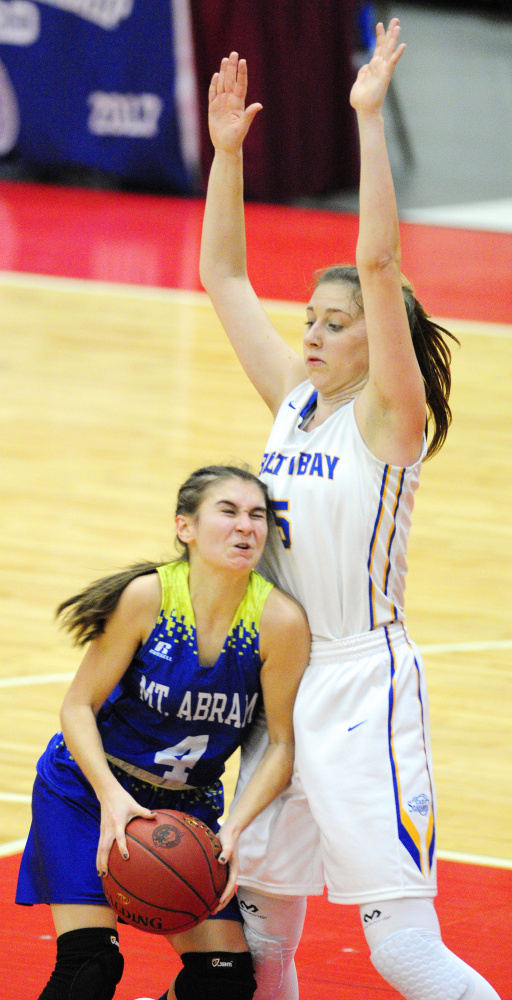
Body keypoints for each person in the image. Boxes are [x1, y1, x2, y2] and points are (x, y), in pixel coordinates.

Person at [198, 20, 502, 1000]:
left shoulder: (388, 423)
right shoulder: (293, 397)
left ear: (376, 342)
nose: (316, 334)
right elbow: (223, 276)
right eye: (310, 323)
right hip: (280, 685)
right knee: (260, 941)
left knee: (402, 954)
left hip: (363, 691)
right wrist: (228, 157)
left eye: (335, 325)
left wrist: (366, 123)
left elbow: (378, 265)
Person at [15, 465, 311, 1000]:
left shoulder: (280, 622)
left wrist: (233, 830)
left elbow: (283, 745)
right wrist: (111, 798)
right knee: (90, 968)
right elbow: (77, 706)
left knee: (222, 982)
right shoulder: (146, 598)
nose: (246, 526)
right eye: (228, 511)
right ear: (186, 528)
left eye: (257, 515)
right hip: (87, 792)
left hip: (186, 809)